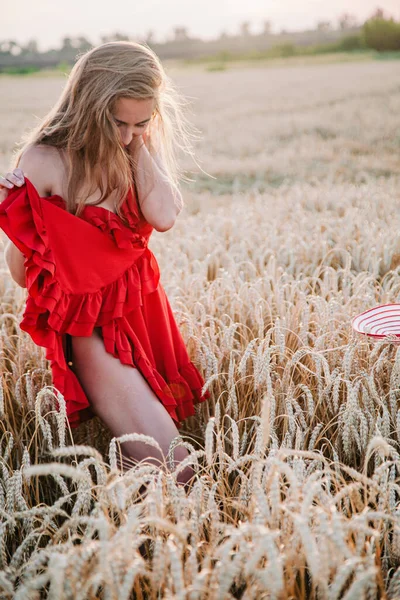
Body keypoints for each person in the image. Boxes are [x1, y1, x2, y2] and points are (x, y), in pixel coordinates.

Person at [0, 41, 210, 485]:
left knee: (147, 474)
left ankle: (136, 545)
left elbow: (164, 217)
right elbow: (23, 276)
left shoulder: (133, 153)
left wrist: (137, 147)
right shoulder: (45, 160)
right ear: (90, 105)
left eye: (143, 122)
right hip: (97, 332)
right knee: (175, 467)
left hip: (146, 318)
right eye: (118, 122)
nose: (129, 134)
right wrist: (20, 218)